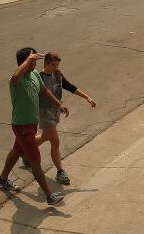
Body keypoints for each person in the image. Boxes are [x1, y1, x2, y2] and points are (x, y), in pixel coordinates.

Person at [0, 47, 68, 206]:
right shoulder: (15, 80)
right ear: (26, 62)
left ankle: (2, 178)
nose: (36, 63)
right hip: (22, 125)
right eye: (33, 60)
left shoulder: (35, 75)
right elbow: (16, 75)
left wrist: (58, 104)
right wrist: (29, 58)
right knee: (35, 160)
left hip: (31, 123)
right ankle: (50, 196)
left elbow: (44, 90)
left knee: (17, 150)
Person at [34, 51, 97, 185]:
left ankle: (23, 149)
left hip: (56, 110)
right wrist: (60, 104)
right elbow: (45, 94)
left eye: (57, 65)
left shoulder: (58, 74)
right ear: (45, 63)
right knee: (55, 141)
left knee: (46, 137)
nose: (55, 68)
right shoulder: (39, 77)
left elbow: (70, 87)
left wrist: (87, 97)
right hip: (45, 111)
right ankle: (60, 171)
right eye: (52, 65)